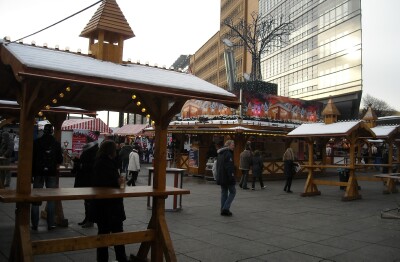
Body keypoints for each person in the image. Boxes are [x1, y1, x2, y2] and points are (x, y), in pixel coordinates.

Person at [91, 140, 128, 262]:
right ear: (111, 151)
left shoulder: (101, 161)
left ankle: (103, 259)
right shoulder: (106, 163)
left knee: (103, 233)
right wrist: (118, 182)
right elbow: (108, 182)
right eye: (115, 150)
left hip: (103, 205)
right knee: (116, 233)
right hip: (110, 205)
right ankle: (121, 258)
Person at [31, 124, 63, 230]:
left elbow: (32, 159)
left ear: (43, 131)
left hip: (38, 172)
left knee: (35, 198)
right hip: (51, 173)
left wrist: (32, 174)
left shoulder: (36, 142)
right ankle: (50, 224)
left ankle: (34, 224)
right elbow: (60, 160)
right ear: (52, 131)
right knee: (51, 200)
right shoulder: (56, 143)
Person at [72, 136, 99, 228]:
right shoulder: (88, 148)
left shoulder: (93, 150)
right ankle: (87, 218)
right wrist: (77, 160)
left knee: (89, 200)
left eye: (87, 139)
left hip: (88, 178)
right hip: (85, 177)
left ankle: (90, 220)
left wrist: (80, 165)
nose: (85, 140)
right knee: (86, 200)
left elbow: (92, 165)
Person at [216, 140, 236, 216]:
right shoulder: (228, 154)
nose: (234, 146)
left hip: (221, 176)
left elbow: (217, 166)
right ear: (228, 145)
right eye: (233, 145)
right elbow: (229, 167)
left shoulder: (220, 153)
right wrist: (232, 177)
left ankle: (223, 209)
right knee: (233, 192)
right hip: (227, 177)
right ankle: (225, 208)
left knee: (224, 192)